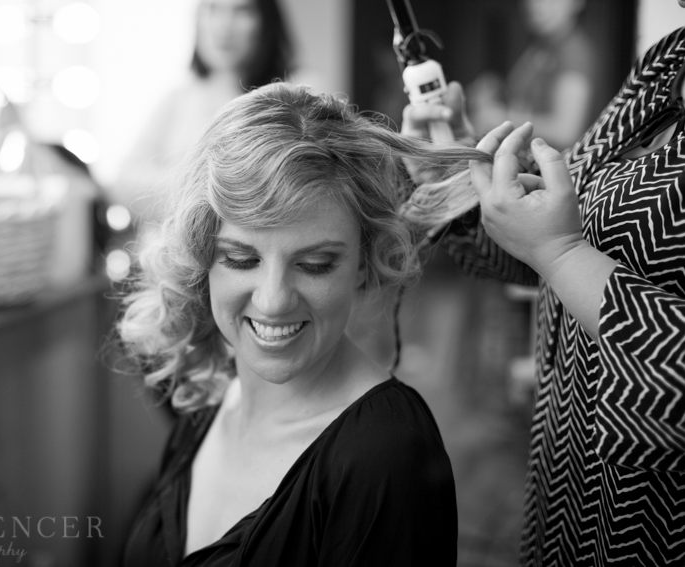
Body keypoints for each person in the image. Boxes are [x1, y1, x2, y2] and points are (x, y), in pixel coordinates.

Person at [117, 83, 491, 566]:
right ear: (201, 257)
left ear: (364, 262)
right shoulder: (208, 395)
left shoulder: (384, 456)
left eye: (314, 264)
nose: (272, 302)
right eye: (240, 258)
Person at [403, 18, 685, 567]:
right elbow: (558, 249)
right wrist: (463, 173)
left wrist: (562, 252)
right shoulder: (668, 60)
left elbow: (565, 253)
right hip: (568, 485)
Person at [111, 0, 295, 224]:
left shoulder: (293, 96)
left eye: (242, 11)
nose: (224, 26)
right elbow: (123, 182)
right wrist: (208, 187)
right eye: (213, 8)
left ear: (267, 21)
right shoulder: (178, 98)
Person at [467, 0, 595, 150]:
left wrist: (499, 118)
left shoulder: (573, 54)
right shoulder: (539, 46)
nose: (537, 5)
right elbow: (524, 103)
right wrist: (496, 91)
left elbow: (565, 131)